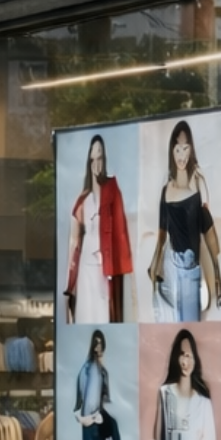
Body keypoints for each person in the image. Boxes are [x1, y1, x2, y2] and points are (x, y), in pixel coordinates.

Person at [147, 120, 221, 322]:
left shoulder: (198, 184)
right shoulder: (166, 190)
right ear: (172, 151)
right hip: (172, 268)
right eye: (177, 149)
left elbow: (209, 230)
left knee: (190, 325)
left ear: (191, 149)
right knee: (170, 325)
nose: (181, 155)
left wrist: (217, 272)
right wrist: (154, 266)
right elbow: (162, 234)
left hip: (192, 270)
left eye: (185, 148)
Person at [65, 134, 132, 324]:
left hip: (105, 266)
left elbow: (120, 233)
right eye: (93, 159)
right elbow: (74, 242)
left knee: (105, 315)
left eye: (100, 158)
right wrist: (69, 284)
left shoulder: (112, 190)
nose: (96, 164)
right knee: (86, 314)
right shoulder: (82, 200)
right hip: (86, 265)